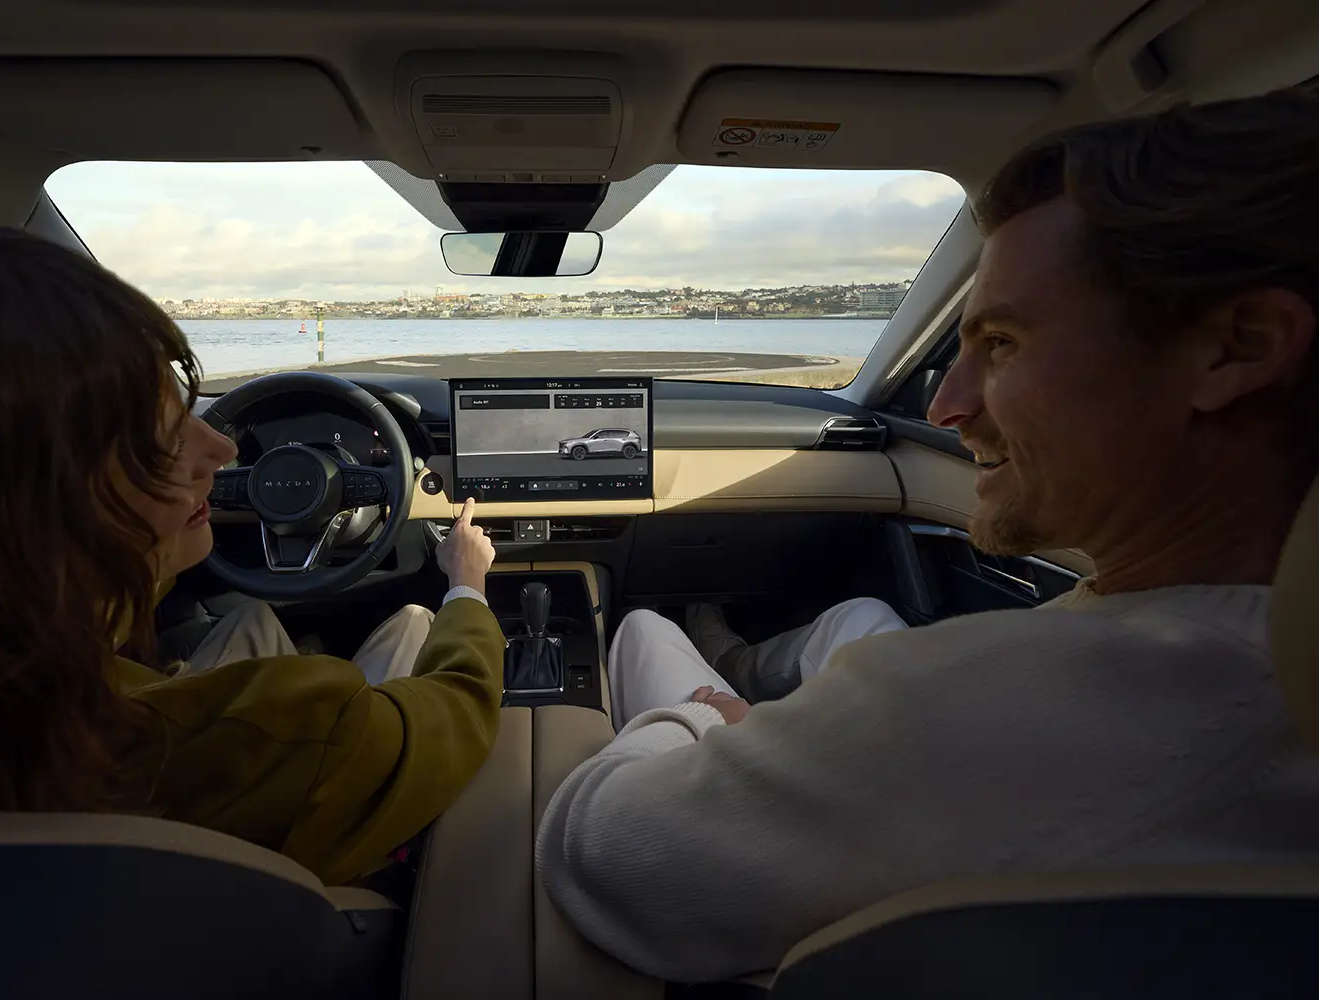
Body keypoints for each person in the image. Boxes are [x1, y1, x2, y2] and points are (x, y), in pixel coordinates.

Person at [536, 85, 1319, 982]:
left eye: (1004, 344)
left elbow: (594, 847)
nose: (947, 407)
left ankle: (712, 659)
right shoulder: (1245, 684)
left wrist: (702, 720)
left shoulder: (972, 713)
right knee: (858, 618)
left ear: (1239, 347)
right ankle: (730, 650)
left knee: (643, 631)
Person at [0, 210, 505, 890]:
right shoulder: (286, 734)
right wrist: (465, 586)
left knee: (250, 622)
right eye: (158, 438)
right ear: (12, 506)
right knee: (418, 624)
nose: (223, 449)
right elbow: (459, 708)